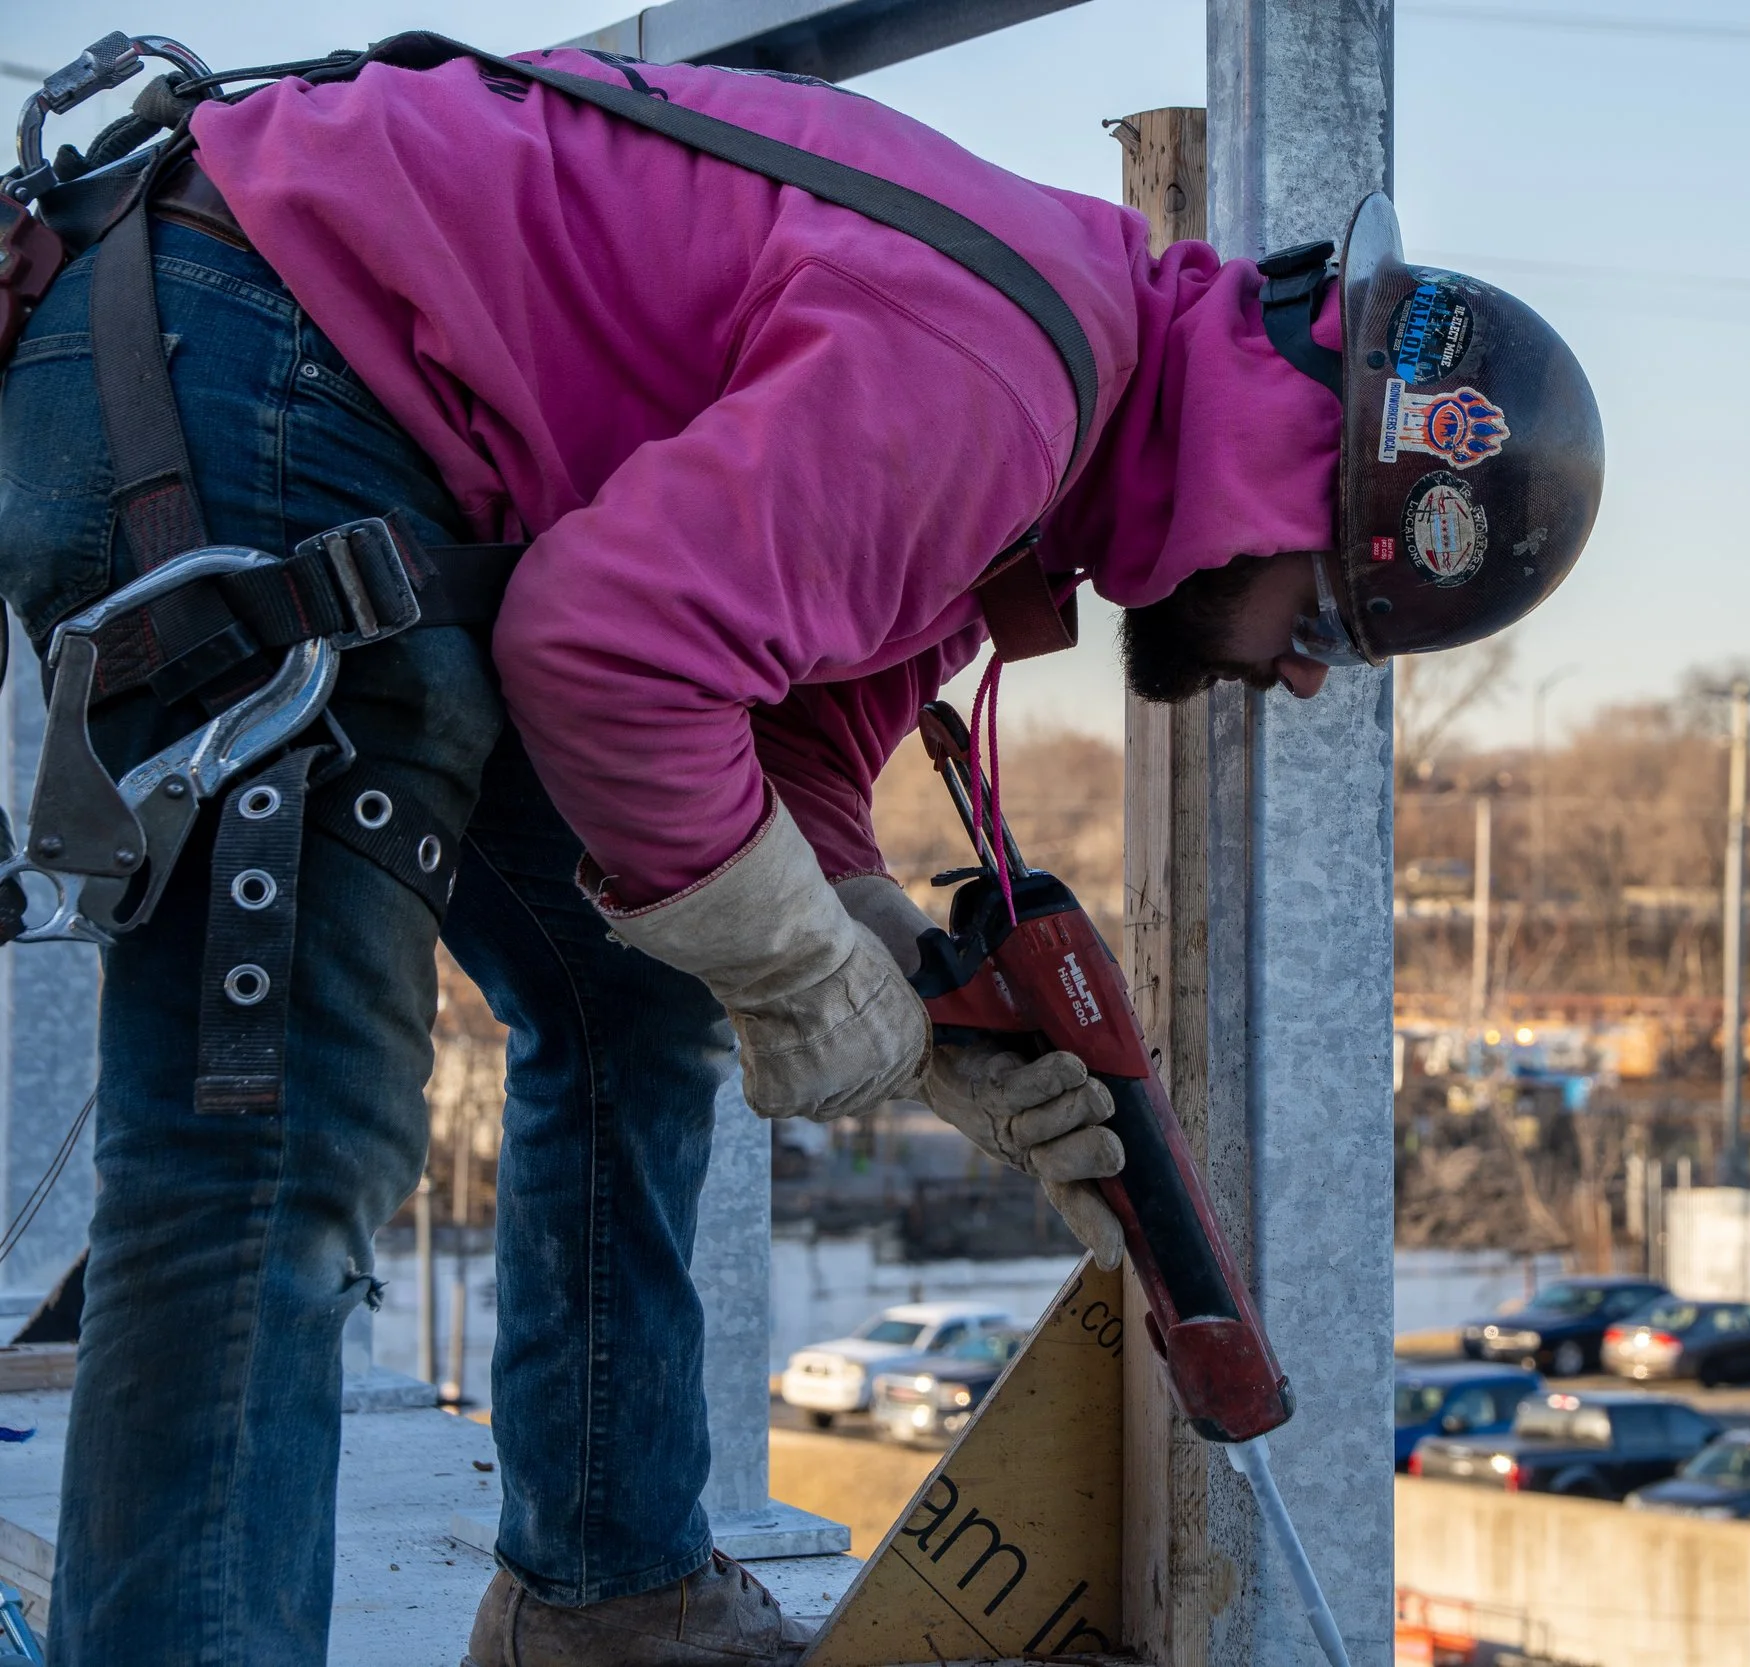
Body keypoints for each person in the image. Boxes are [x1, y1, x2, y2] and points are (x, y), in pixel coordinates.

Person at [0, 36, 1601, 1667]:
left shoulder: (1066, 384)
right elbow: (606, 652)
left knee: (628, 994)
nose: (1309, 668)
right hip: (258, 366)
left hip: (295, 363)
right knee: (273, 1134)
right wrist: (798, 961)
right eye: (1332, 609)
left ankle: (603, 1592)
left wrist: (895, 982)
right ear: (1282, 472)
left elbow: (781, 737)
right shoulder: (1004, 385)